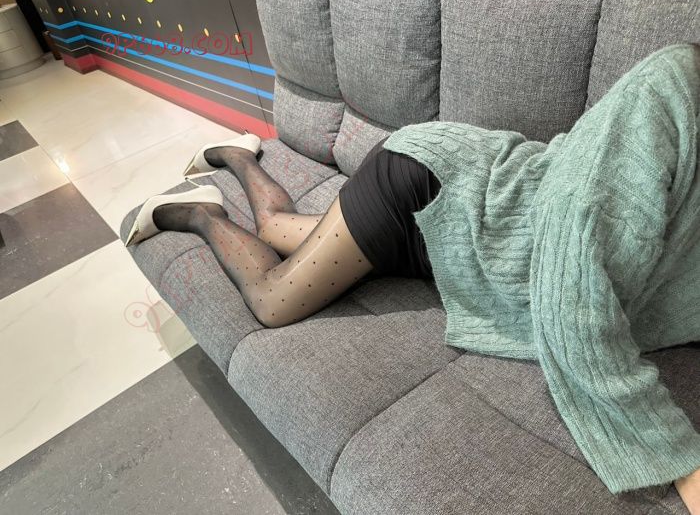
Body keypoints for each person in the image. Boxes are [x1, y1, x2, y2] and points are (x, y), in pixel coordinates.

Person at [125, 44, 700, 511]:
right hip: (428, 187)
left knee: (284, 233)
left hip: (454, 239)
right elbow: (570, 280)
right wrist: (682, 461)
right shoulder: (673, 84)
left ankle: (238, 158)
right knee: (274, 297)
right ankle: (208, 205)